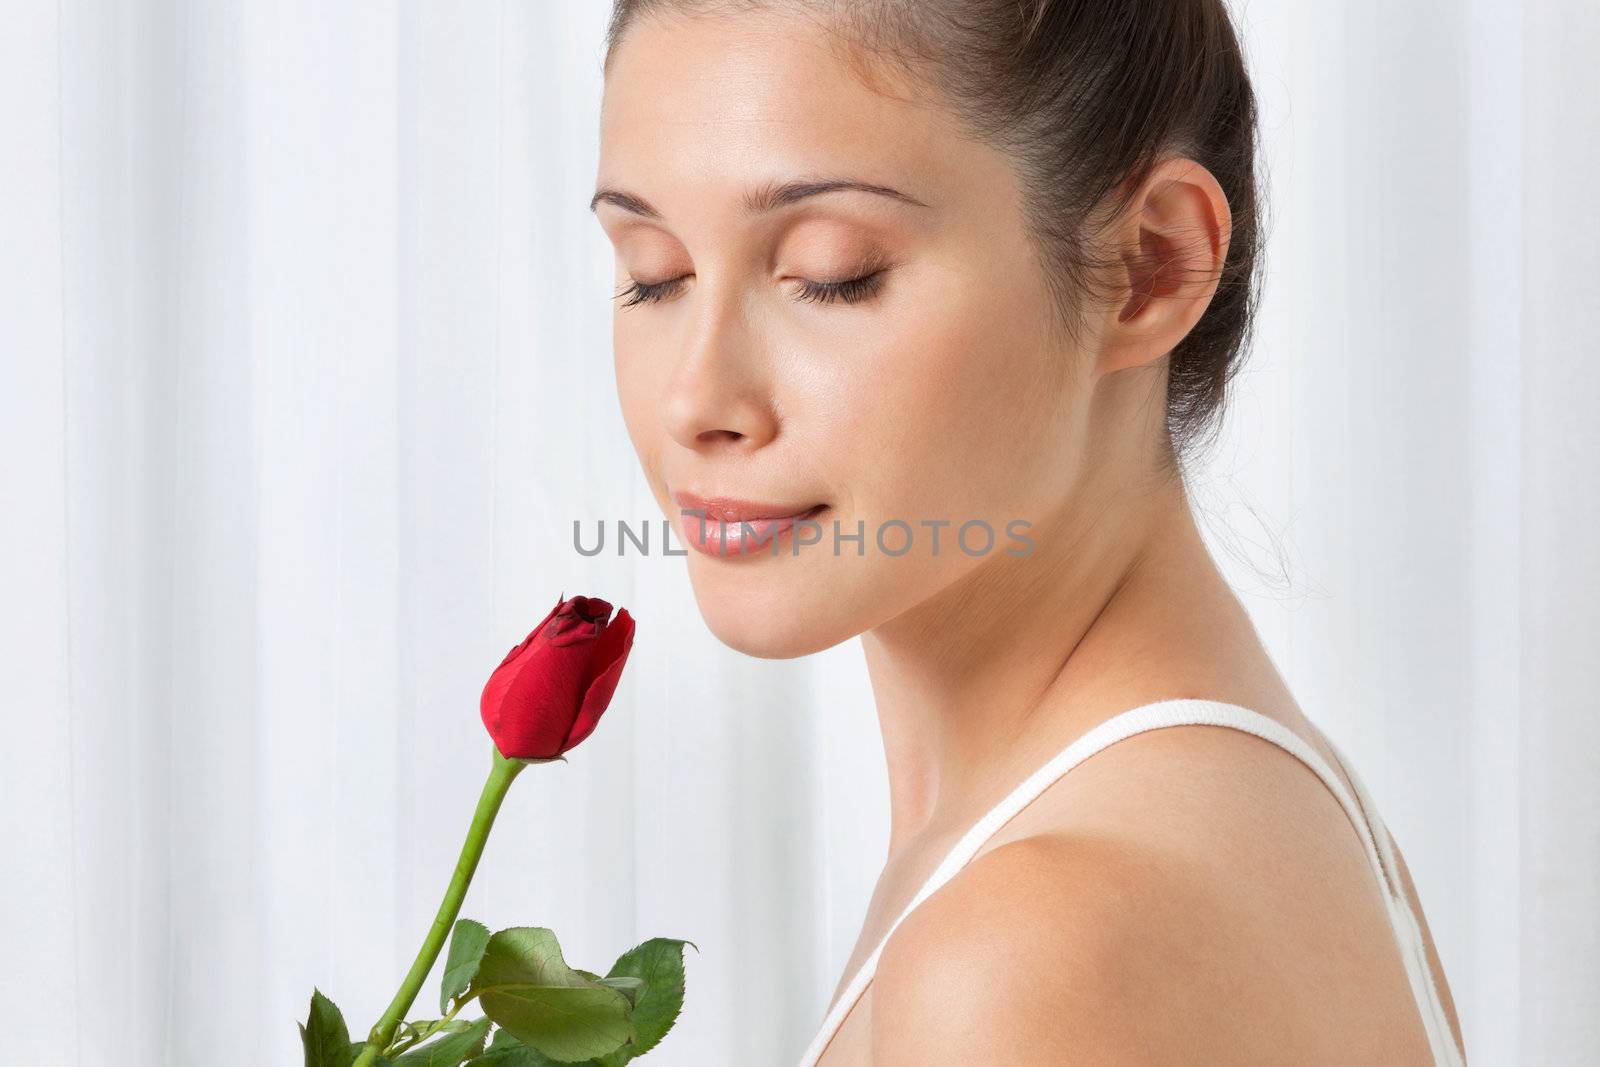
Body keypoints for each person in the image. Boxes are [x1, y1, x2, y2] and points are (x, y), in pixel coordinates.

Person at [591, 1, 1468, 1062]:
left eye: (834, 271)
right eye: (654, 271)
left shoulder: (1035, 944)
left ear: (1147, 267)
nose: (697, 399)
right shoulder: (1232, 817)